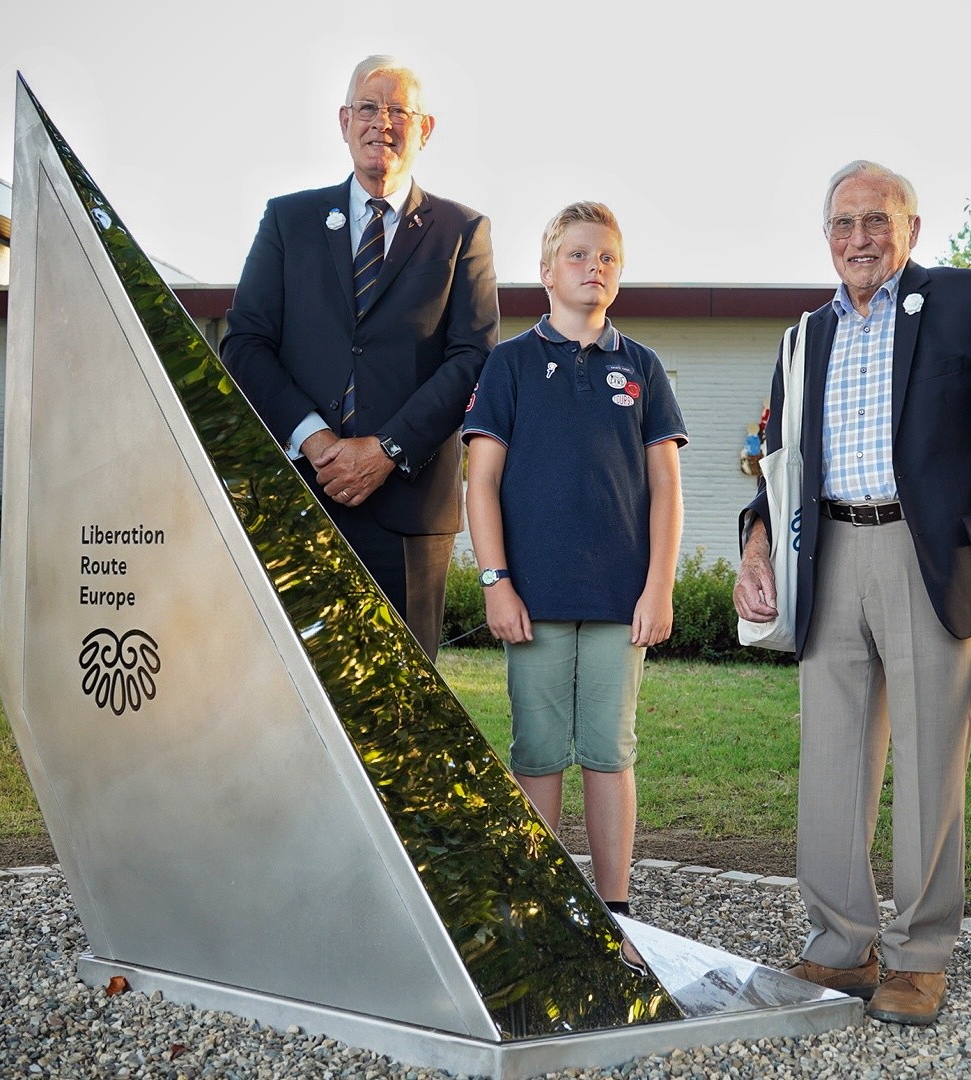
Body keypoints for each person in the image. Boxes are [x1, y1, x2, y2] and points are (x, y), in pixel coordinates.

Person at [733, 161, 971, 1027]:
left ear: (911, 228)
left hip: (927, 554)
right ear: (826, 236)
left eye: (877, 220)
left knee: (931, 757)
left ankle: (920, 955)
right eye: (843, 223)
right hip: (827, 549)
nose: (859, 239)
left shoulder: (967, 301)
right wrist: (756, 543)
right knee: (831, 758)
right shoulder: (803, 337)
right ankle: (840, 943)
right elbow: (779, 466)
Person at [220, 54, 498, 661]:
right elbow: (244, 344)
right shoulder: (287, 220)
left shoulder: (462, 231)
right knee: (297, 683)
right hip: (300, 492)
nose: (382, 123)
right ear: (344, 121)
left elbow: (472, 359)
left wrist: (386, 450)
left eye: (399, 110)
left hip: (410, 509)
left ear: (425, 129)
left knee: (402, 693)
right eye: (368, 107)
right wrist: (316, 440)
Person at [462, 201, 685, 919]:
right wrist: (496, 583)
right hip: (533, 599)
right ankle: (542, 909)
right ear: (546, 271)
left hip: (621, 601)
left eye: (608, 257)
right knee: (536, 751)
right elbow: (481, 483)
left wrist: (659, 588)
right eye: (579, 255)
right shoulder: (510, 364)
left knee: (610, 751)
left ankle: (616, 911)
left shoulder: (642, 367)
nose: (595, 267)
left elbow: (665, 490)